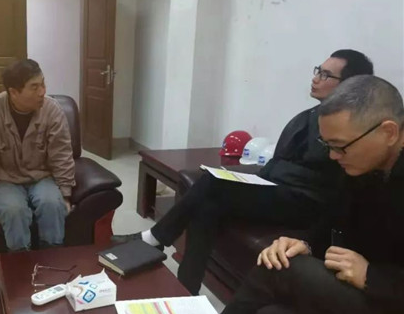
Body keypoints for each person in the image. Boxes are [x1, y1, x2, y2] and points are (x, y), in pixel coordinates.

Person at [112, 50, 374, 294]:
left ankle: (156, 237)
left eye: (326, 75)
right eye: (318, 70)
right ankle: (186, 289)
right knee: (208, 207)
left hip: (304, 203)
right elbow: (281, 161)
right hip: (277, 188)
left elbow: (317, 177)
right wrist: (260, 177)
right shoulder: (310, 115)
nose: (315, 78)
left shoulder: (350, 129)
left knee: (211, 183)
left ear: (350, 85)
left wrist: (273, 175)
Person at [221, 75, 404, 314]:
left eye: (340, 146)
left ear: (388, 132)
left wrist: (372, 277)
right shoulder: (361, 166)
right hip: (367, 297)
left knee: (281, 269)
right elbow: (334, 223)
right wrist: (305, 244)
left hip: (391, 305)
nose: (333, 156)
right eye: (327, 145)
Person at [0, 59, 75, 250]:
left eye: (43, 84)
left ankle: (54, 258)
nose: (42, 92)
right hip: (6, 179)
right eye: (34, 87)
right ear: (14, 92)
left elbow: (62, 154)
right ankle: (20, 262)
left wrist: (65, 194)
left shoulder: (52, 110)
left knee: (52, 204)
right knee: (13, 210)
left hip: (42, 177)